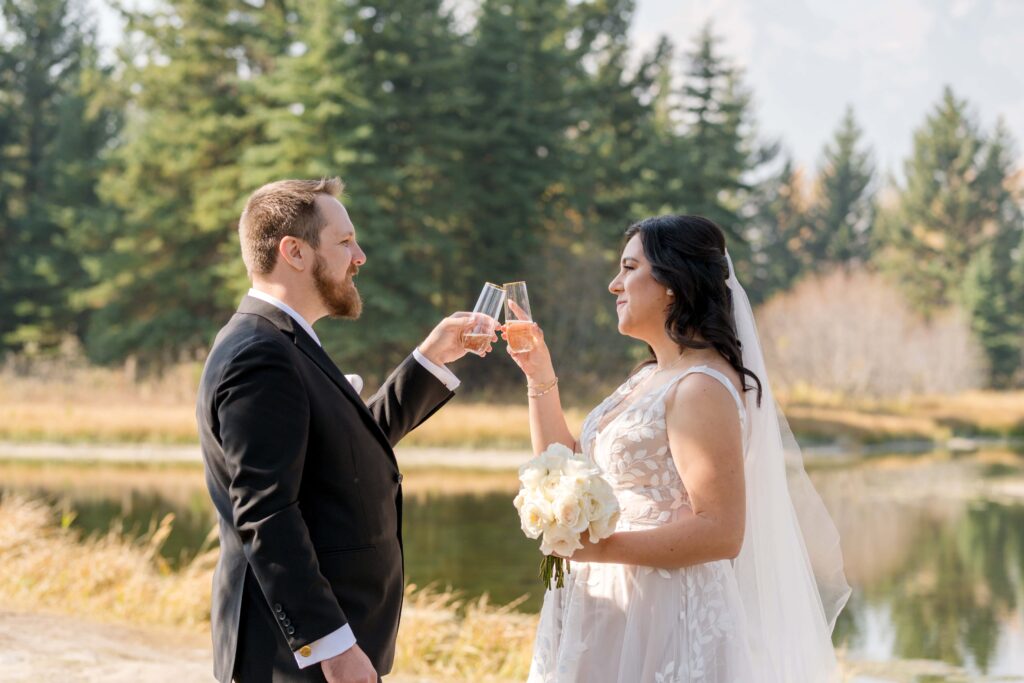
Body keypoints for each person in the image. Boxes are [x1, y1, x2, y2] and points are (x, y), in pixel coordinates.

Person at [505, 214, 850, 682]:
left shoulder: (701, 387)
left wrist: (597, 550)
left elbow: (722, 532)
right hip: (604, 604)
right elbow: (561, 464)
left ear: (672, 283)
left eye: (629, 268)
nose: (614, 284)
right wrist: (539, 375)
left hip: (663, 612)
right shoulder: (648, 377)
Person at [196, 177, 495, 683]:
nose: (359, 256)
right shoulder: (261, 353)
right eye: (344, 242)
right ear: (294, 251)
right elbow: (267, 514)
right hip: (293, 660)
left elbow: (345, 454)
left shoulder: (285, 341)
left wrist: (431, 360)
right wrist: (332, 648)